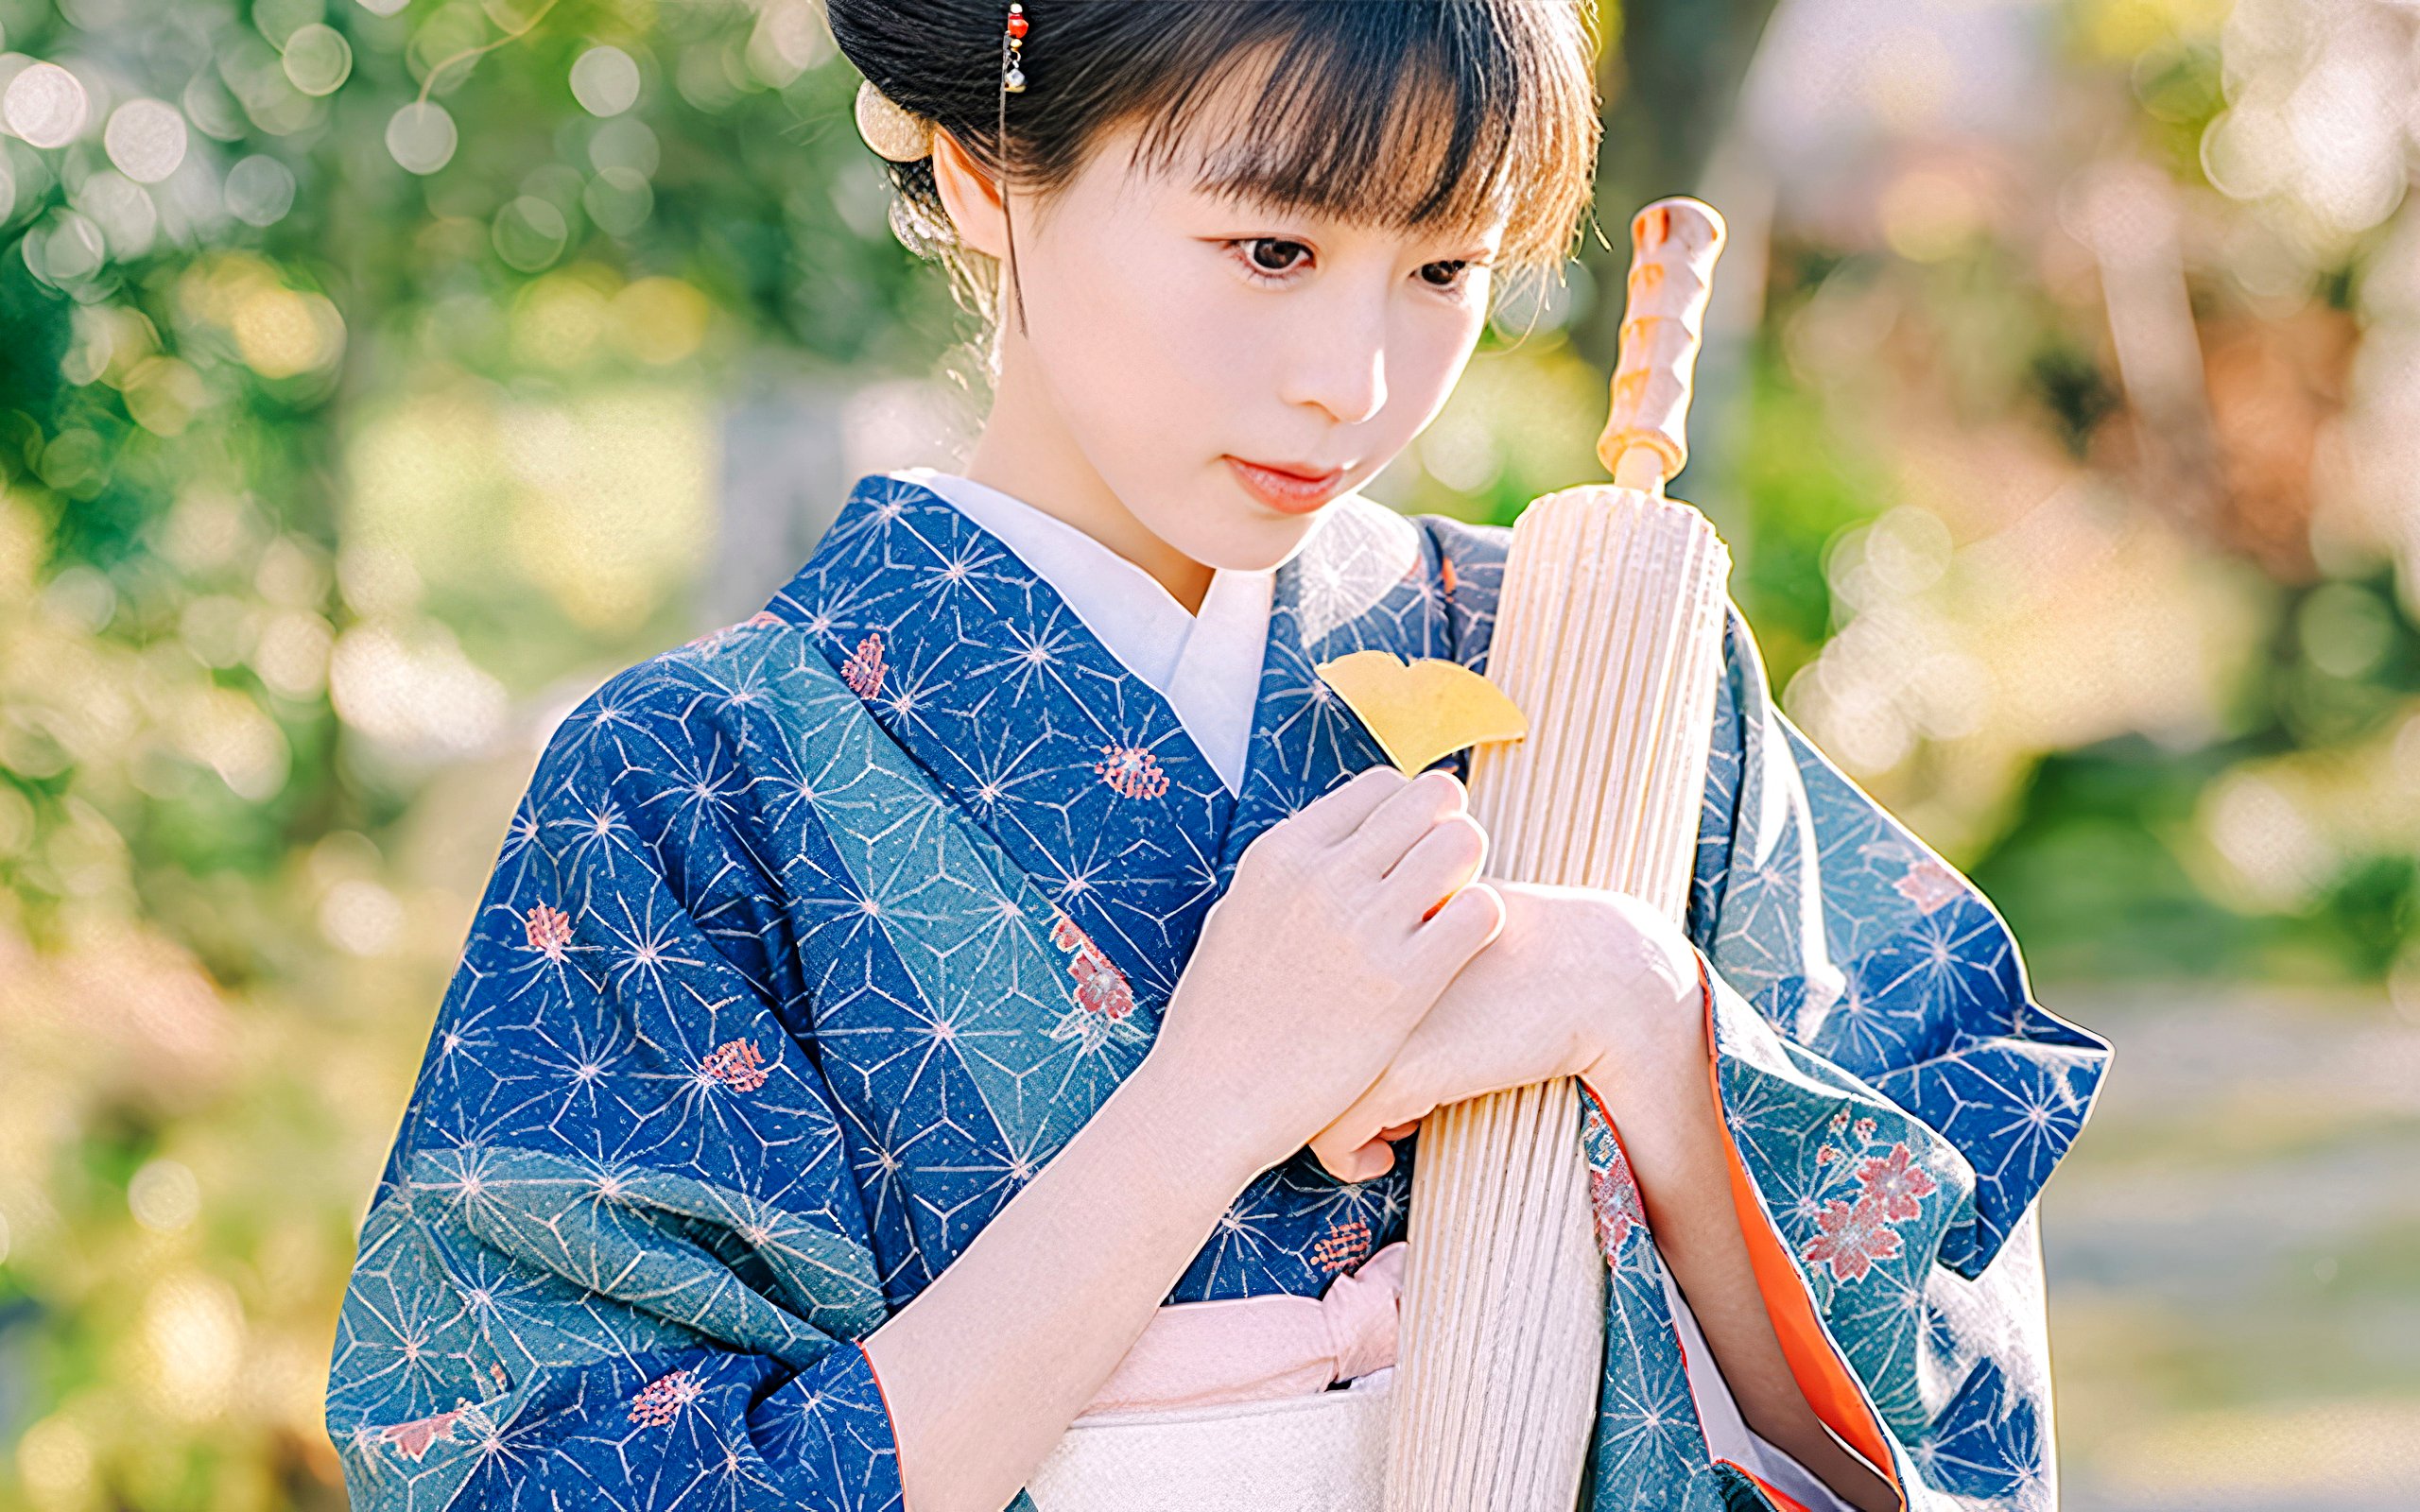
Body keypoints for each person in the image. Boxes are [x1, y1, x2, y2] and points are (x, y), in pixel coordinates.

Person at [323, 5, 2112, 1511]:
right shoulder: (694, 781)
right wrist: (1208, 1104)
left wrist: (1640, 1012)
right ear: (985, 168)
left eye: (1442, 267)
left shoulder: (1596, 671)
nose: (1354, 376)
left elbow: (1928, 1408)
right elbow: (532, 1460)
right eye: (1271, 248)